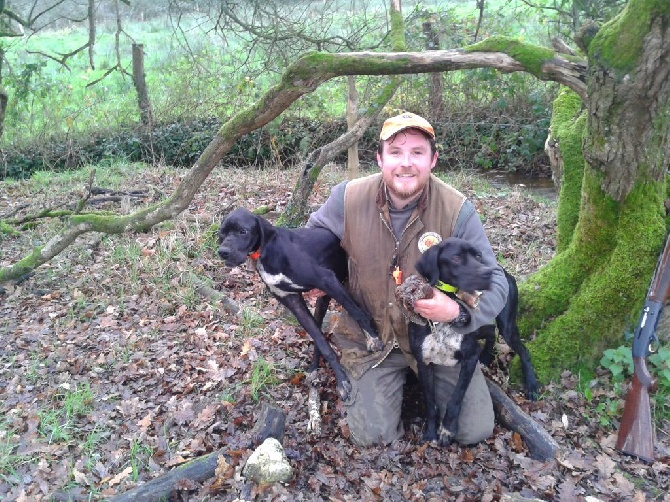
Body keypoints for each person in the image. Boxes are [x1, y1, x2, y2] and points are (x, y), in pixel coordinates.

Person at [306, 111, 509, 446]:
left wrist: (458, 313)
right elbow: (310, 245)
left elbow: (496, 281)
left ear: (433, 160)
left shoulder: (457, 209)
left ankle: (423, 384)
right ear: (379, 159)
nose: (406, 163)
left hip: (441, 341)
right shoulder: (347, 199)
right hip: (374, 340)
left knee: (473, 431)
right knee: (374, 437)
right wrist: (311, 274)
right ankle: (398, 386)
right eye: (396, 152)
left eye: (417, 152)